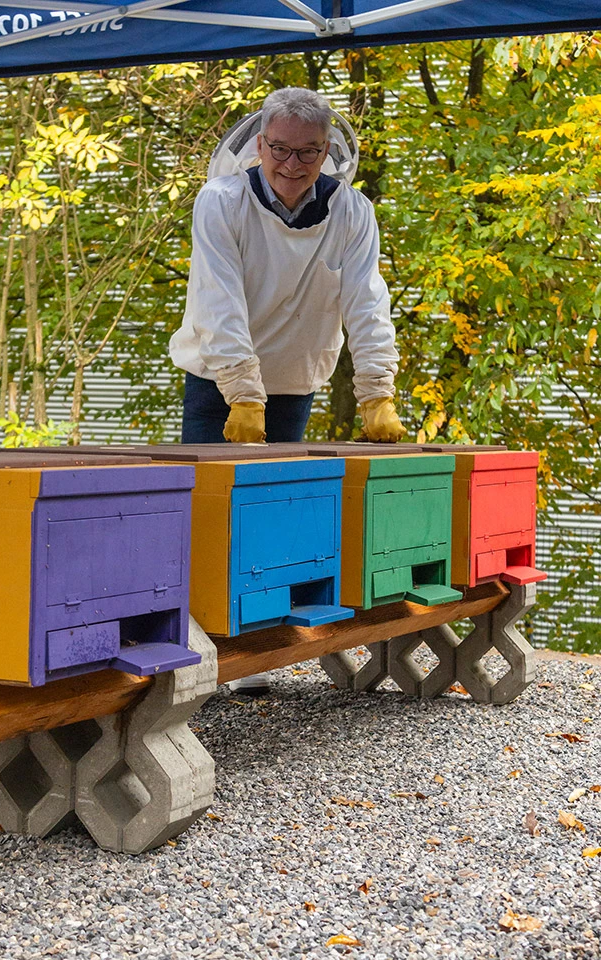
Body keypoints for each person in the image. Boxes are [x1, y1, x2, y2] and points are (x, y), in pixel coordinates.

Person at [169, 87, 405, 692]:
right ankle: (198, 656)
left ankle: (251, 654)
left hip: (294, 382)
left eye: (307, 152)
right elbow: (218, 300)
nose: (292, 164)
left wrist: (377, 391)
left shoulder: (351, 212)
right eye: (279, 149)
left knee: (272, 520)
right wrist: (243, 393)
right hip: (218, 384)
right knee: (207, 519)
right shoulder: (221, 201)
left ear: (327, 151)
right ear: (259, 144)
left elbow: (367, 300)